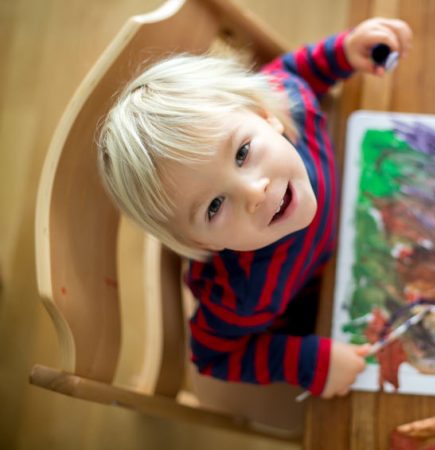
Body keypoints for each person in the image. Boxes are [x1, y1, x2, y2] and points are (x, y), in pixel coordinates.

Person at [98, 17, 413, 398]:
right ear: (200, 242)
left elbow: (294, 70)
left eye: (243, 152)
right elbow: (213, 357)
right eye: (214, 206)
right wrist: (309, 362)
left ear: (265, 115)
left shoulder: (291, 102)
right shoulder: (241, 295)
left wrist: (343, 52)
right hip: (315, 301)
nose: (254, 192)